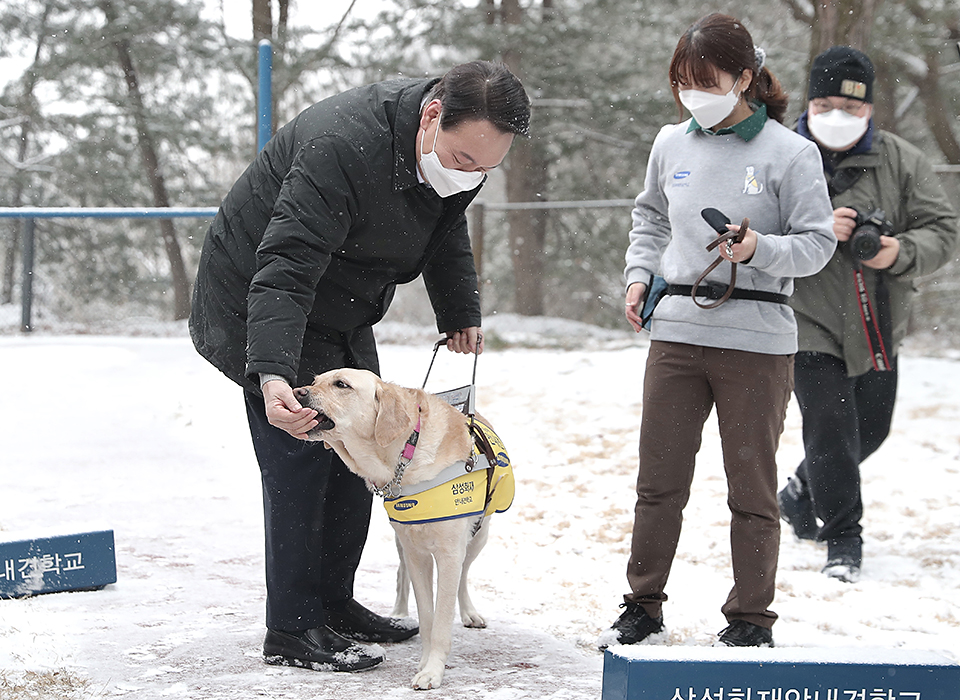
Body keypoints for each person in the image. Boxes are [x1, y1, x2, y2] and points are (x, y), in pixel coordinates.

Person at [189, 61, 530, 672]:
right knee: (300, 454)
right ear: (431, 116)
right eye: (461, 160)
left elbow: (446, 225)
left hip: (341, 301)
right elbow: (286, 266)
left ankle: (335, 603)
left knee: (370, 441)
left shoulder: (458, 154)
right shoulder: (341, 146)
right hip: (259, 298)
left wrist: (459, 308)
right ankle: (292, 628)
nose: (470, 175)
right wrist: (270, 374)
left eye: (486, 168)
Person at [599, 13, 836, 650]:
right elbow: (648, 219)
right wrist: (639, 277)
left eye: (705, 82)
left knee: (752, 489)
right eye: (682, 83)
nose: (692, 95)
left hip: (758, 340)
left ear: (745, 78)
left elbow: (816, 246)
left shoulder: (792, 153)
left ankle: (750, 618)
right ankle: (643, 605)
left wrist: (759, 247)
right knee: (659, 482)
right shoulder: (670, 144)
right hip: (675, 333)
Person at [778, 47, 958, 583]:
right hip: (803, 317)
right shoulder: (781, 155)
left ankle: (802, 490)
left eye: (851, 108)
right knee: (831, 426)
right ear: (809, 103)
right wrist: (812, 229)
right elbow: (749, 229)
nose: (838, 116)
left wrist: (897, 252)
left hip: (877, 321)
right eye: (826, 103)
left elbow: (943, 229)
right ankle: (843, 541)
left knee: (869, 431)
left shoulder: (903, 161)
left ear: (871, 110)